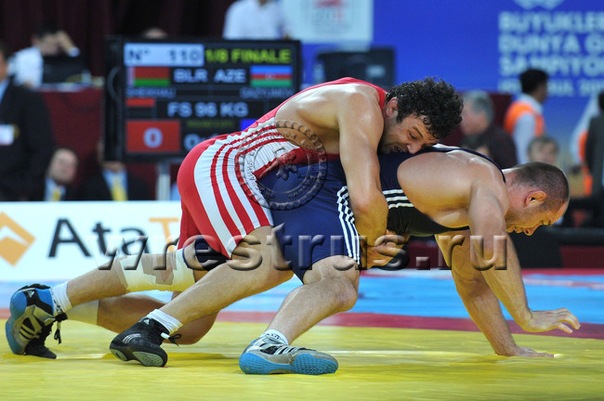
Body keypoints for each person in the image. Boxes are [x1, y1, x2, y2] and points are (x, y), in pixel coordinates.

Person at [6, 76, 463, 363]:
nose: (410, 147)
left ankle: (51, 301)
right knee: (267, 258)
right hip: (229, 167)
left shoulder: (373, 114)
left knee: (193, 317)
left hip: (244, 182)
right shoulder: (362, 103)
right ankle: (148, 329)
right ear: (394, 106)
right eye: (412, 134)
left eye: (422, 145)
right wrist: (370, 244)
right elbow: (365, 197)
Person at [6, 148, 579, 373]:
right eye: (541, 221)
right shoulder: (482, 179)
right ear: (532, 197)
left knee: (195, 291)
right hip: (317, 191)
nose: (532, 232)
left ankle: (52, 302)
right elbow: (494, 250)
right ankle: (270, 344)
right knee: (330, 281)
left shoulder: (468, 209)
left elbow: (473, 282)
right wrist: (528, 315)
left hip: (313, 197)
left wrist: (507, 346)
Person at [0, 40, 55, 201]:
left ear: (6, 66)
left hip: (13, 189)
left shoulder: (27, 99)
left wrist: (26, 186)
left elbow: (42, 146)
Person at [9, 22, 82, 89]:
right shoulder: (21, 58)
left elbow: (82, 76)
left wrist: (71, 49)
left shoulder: (64, 59)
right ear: (36, 40)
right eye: (50, 44)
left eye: (57, 44)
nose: (54, 48)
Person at [459, 90, 517, 168]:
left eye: (465, 114)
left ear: (481, 115)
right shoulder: (466, 140)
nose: (461, 119)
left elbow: (511, 171)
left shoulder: (501, 140)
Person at [78, 140, 151, 201]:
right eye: (108, 153)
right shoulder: (89, 187)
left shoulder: (140, 186)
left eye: (116, 152)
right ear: (99, 157)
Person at [503, 68, 549, 164]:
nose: (548, 91)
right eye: (546, 86)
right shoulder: (527, 116)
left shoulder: (520, 108)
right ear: (540, 87)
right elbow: (521, 153)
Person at [223, 0, 291, 40]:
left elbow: (287, 31)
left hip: (274, 55)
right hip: (248, 56)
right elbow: (232, 41)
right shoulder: (239, 10)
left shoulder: (276, 9)